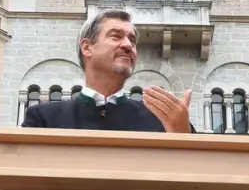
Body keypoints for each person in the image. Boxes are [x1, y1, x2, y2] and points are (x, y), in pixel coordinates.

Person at [22, 10, 193, 132]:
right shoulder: (43, 119)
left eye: (132, 40)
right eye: (115, 36)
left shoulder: (161, 120)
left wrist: (182, 134)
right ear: (87, 47)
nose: (128, 45)